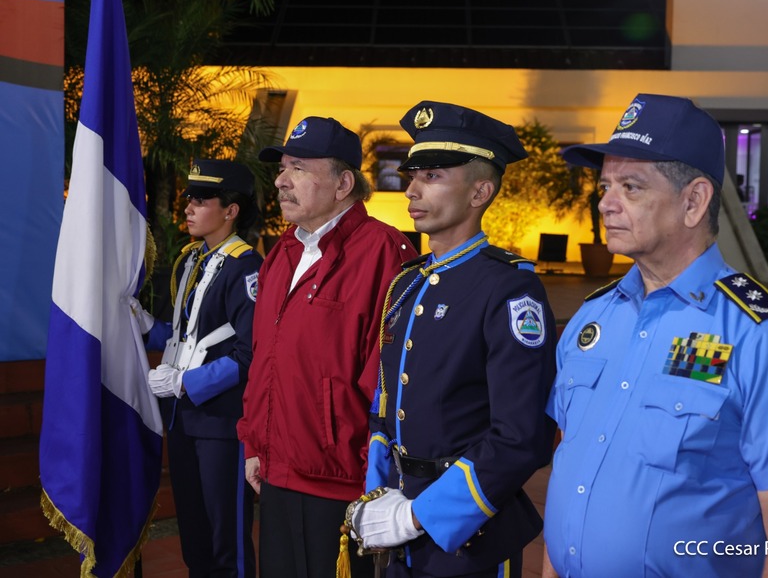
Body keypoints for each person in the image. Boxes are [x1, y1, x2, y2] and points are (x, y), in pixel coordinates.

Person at [543, 94, 768, 578]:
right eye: (605, 186)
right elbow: (569, 470)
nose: (605, 204)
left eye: (631, 187)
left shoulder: (761, 337)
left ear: (694, 201)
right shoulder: (590, 321)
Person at [350, 101, 557, 577]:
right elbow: (386, 403)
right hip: (396, 514)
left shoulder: (509, 289)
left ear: (480, 192)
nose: (412, 189)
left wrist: (419, 516)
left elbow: (521, 437)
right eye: (413, 175)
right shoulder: (407, 283)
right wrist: (379, 495)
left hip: (467, 531)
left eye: (433, 176)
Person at [236, 116, 417, 578]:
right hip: (276, 473)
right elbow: (264, 360)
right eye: (282, 168)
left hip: (342, 484)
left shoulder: (383, 252)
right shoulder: (283, 253)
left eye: (298, 168)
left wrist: (375, 481)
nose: (281, 180)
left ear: (343, 184)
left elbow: (388, 380)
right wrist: (255, 442)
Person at [131, 159, 262, 577]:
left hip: (221, 421)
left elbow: (250, 354)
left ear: (231, 210)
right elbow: (187, 338)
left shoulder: (246, 268)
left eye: (202, 200)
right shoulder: (192, 260)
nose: (188, 207)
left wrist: (187, 383)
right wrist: (145, 326)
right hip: (183, 417)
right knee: (194, 535)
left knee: (227, 539)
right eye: (190, 197)